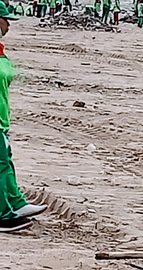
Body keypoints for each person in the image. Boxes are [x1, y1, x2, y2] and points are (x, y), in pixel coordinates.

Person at [0, 2, 48, 232]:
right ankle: (3, 214)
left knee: (6, 162)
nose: (8, 25)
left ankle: (16, 202)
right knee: (0, 165)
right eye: (5, 19)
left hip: (2, 118)